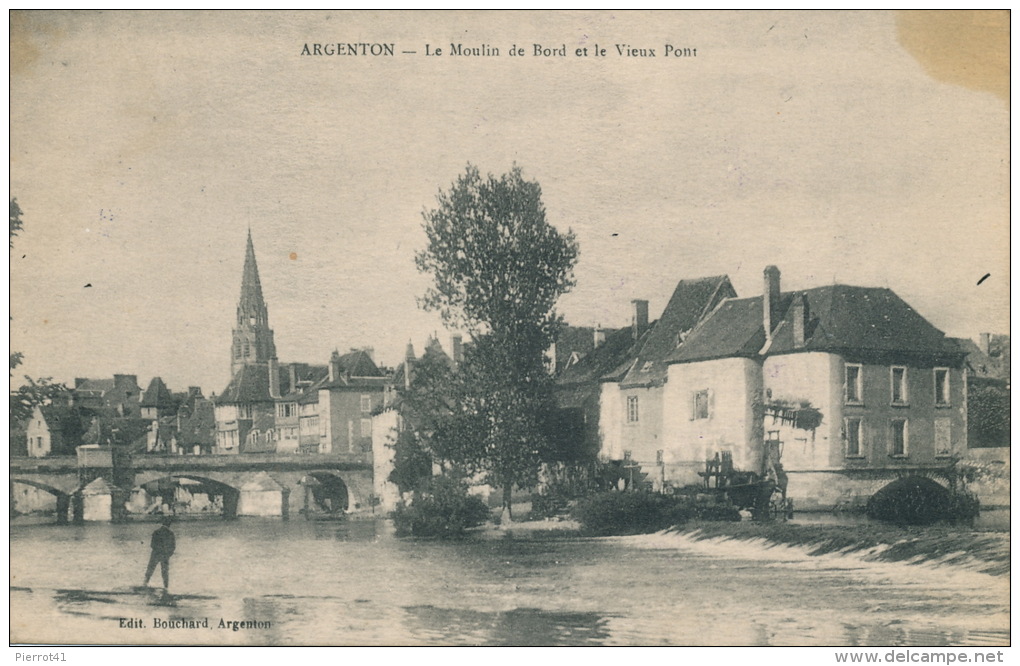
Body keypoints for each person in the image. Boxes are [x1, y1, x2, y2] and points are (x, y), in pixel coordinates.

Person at [143, 516, 176, 589]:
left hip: (155, 553)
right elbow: (173, 547)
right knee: (165, 572)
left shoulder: (156, 532)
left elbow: (152, 545)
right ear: (169, 524)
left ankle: (145, 584)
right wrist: (168, 554)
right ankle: (166, 587)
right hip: (165, 555)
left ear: (163, 523)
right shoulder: (171, 533)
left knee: (150, 569)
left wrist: (158, 550)